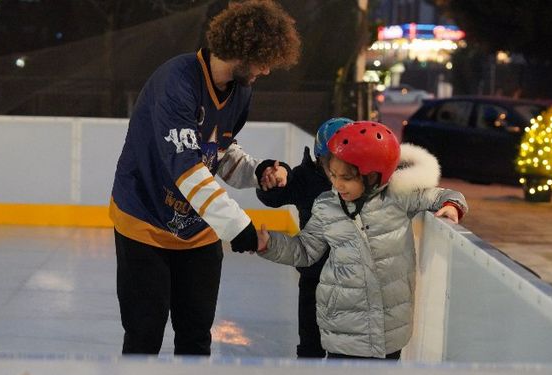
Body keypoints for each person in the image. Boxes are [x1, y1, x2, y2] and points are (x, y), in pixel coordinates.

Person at [109, 0, 300, 355]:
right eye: (263, 61)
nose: (267, 70)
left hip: (198, 232)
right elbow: (187, 169)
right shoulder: (175, 82)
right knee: (143, 336)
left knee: (196, 338)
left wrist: (257, 171)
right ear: (243, 51)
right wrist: (238, 227)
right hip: (144, 221)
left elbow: (217, 152)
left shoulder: (241, 90)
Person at [255, 121, 468, 360]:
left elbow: (441, 195)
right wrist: (270, 244)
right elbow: (306, 249)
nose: (336, 184)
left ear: (372, 175)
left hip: (389, 326)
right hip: (342, 324)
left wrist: (452, 206)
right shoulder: (326, 205)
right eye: (333, 175)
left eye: (346, 177)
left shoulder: (399, 196)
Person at [254, 117, 353, 358]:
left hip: (350, 282)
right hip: (313, 276)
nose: (338, 169)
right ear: (320, 158)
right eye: (331, 162)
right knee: (310, 346)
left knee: (345, 349)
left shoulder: (361, 182)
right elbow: (276, 197)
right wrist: (274, 183)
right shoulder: (306, 177)